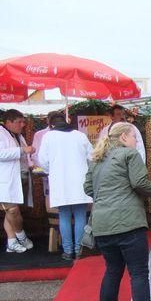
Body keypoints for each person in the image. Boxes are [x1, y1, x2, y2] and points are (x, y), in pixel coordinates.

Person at [85, 122, 151, 301]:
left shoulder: (97, 159)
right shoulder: (129, 155)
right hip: (128, 223)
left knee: (113, 270)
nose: (137, 141)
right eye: (135, 137)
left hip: (102, 225)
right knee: (139, 273)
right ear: (124, 137)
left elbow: (88, 188)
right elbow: (139, 182)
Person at [38, 111, 93, 260]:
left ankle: (68, 251)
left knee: (64, 216)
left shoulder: (48, 137)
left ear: (51, 124)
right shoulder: (79, 135)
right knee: (81, 215)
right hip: (79, 181)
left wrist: (51, 170)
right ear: (66, 120)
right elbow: (92, 156)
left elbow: (42, 161)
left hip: (60, 182)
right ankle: (79, 249)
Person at [0, 109, 34, 253]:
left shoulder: (17, 135)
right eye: (19, 122)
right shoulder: (1, 133)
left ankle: (11, 242)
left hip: (21, 176)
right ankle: (21, 236)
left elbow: (24, 156)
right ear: (8, 122)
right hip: (6, 178)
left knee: (11, 211)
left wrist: (31, 164)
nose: (22, 125)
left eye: (23, 121)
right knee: (12, 210)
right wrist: (22, 150)